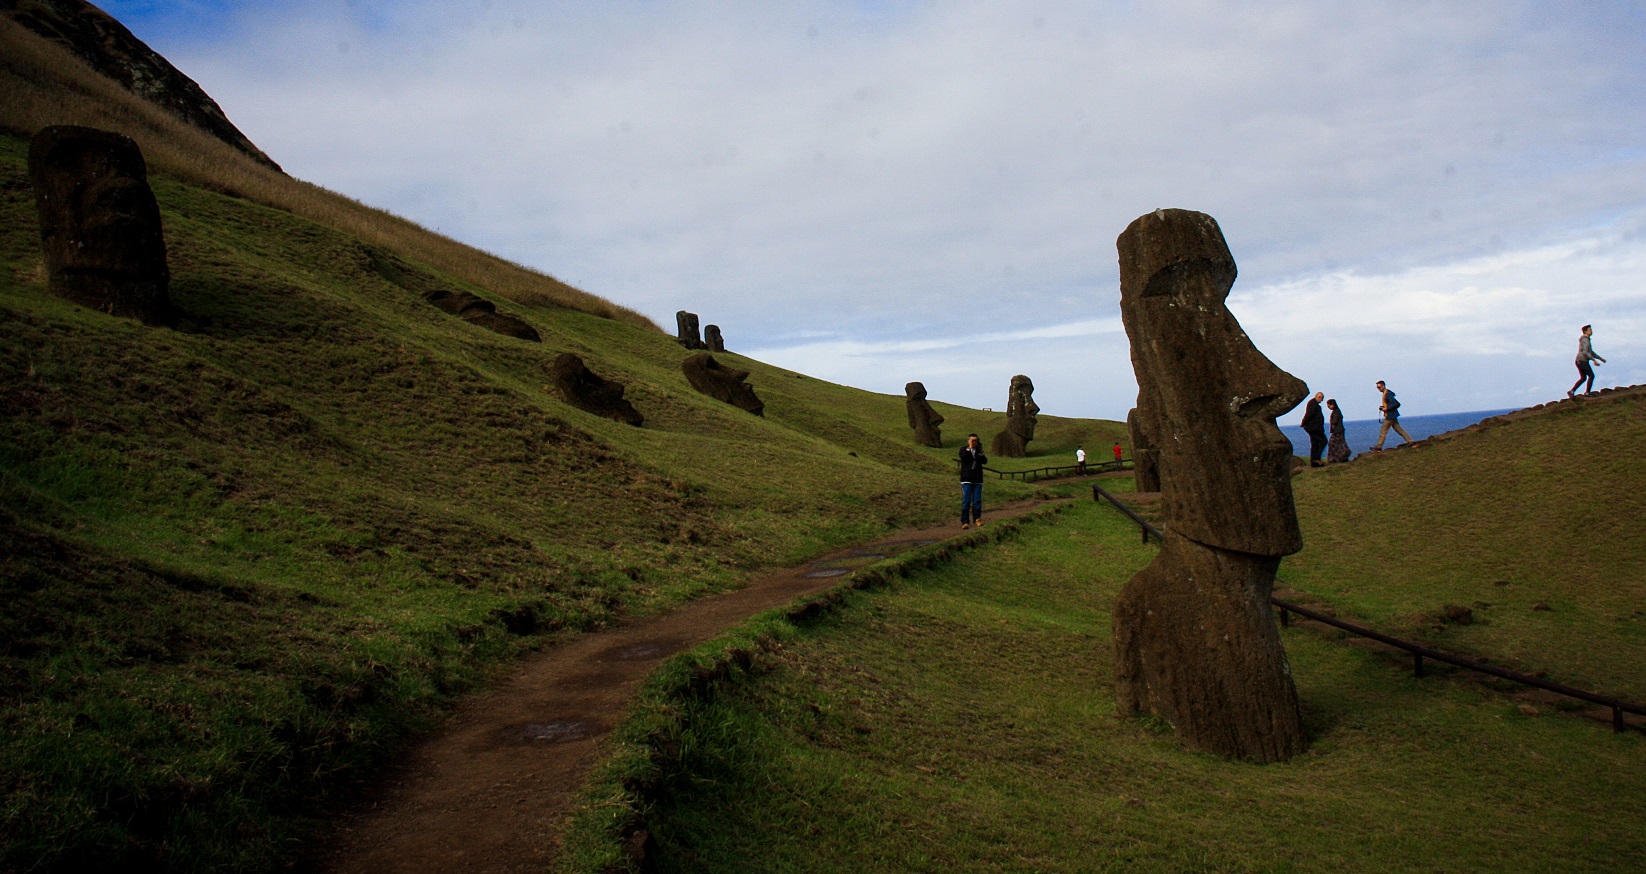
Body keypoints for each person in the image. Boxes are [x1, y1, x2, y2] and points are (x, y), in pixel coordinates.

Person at [1369, 380, 1414, 451]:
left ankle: (1379, 447)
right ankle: (1410, 441)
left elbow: (1396, 403)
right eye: (1377, 387)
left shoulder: (1388, 394)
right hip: (1392, 415)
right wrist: (1383, 407)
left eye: (1379, 387)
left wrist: (1387, 408)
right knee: (1399, 429)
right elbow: (1390, 404)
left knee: (1383, 430)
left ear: (1383, 386)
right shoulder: (1385, 393)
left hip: (1390, 415)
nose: (1378, 389)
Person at [1568, 324, 1606, 398]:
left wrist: (1600, 358)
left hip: (1579, 360)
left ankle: (1571, 391)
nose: (1591, 331)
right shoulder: (1585, 340)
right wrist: (1593, 360)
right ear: (1585, 331)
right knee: (1591, 376)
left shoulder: (1586, 339)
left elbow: (1590, 351)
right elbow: (1586, 352)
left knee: (1583, 378)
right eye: (1590, 330)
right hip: (1582, 361)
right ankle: (1587, 393)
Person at [958, 433, 986, 528]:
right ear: (969, 441)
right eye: (972, 440)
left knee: (977, 501)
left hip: (977, 479)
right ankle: (965, 521)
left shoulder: (979, 451)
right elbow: (963, 457)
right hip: (967, 479)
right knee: (966, 501)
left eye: (976, 441)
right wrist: (969, 448)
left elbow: (985, 461)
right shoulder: (963, 450)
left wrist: (980, 452)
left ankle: (977, 519)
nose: (974, 442)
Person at [1300, 391, 1327, 467]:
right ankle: (1316, 459)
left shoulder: (1315, 404)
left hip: (1315, 428)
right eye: (1321, 399)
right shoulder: (1313, 404)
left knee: (1315, 444)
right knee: (1323, 441)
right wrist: (1303, 422)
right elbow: (1309, 414)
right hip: (1314, 428)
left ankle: (1314, 462)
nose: (1321, 401)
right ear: (1318, 397)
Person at [1326, 398, 1351, 463]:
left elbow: (1334, 421)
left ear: (1332, 405)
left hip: (1337, 431)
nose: (1328, 407)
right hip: (1338, 430)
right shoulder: (1337, 411)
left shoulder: (1336, 412)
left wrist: (1331, 421)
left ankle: (1337, 457)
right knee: (1338, 444)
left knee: (1334, 444)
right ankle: (1339, 457)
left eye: (1329, 406)